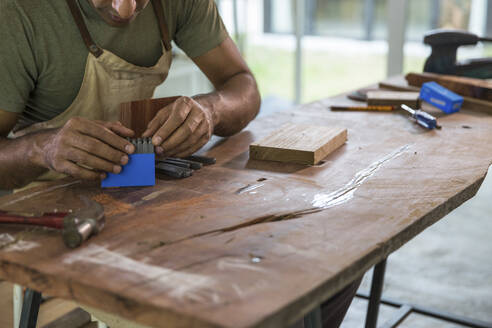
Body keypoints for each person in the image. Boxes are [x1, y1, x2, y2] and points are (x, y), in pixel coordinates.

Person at [0, 0, 359, 326]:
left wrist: (211, 110)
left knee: (325, 267)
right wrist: (41, 149)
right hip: (51, 210)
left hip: (139, 196)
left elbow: (243, 86)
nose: (125, 10)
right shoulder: (20, 14)